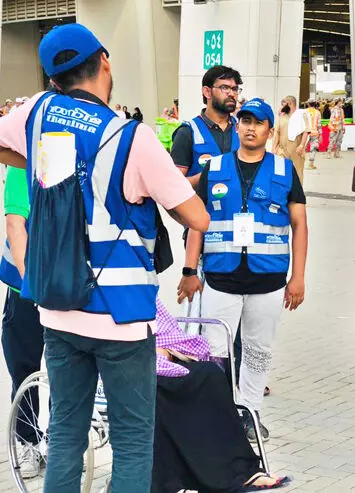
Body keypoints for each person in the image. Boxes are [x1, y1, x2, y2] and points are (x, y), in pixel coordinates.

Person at [0, 23, 210, 491]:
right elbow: (196, 218)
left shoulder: (36, 113)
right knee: (133, 439)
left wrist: (36, 163)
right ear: (105, 62)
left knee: (67, 434)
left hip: (58, 310)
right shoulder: (131, 137)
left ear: (53, 77)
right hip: (121, 318)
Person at [177, 98, 308, 441]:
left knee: (257, 349)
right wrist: (190, 270)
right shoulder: (215, 167)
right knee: (215, 350)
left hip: (268, 279)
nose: (250, 127)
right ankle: (220, 413)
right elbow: (198, 222)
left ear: (269, 130)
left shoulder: (283, 171)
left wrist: (298, 277)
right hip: (221, 277)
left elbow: (300, 225)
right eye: (245, 121)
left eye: (258, 122)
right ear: (238, 127)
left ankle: (250, 411)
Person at [151, 299, 291, 492]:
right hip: (128, 359)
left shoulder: (141, 281)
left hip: (161, 353)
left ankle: (237, 470)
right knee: (157, 392)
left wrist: (164, 348)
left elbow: (165, 327)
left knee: (210, 374)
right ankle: (171, 481)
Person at [1, 165, 46, 478]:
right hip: (25, 288)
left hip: (68, 290)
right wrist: (31, 283)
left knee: (69, 372)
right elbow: (16, 224)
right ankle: (28, 441)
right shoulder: (22, 162)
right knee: (23, 368)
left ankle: (61, 441)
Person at [171, 65, 242, 183]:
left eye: (235, 89)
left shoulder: (241, 130)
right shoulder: (187, 132)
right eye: (225, 87)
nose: (231, 93)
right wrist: (206, 176)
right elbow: (174, 185)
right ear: (207, 92)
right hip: (201, 201)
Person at [272, 95, 309, 183]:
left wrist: (301, 145)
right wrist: (274, 147)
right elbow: (277, 132)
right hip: (282, 150)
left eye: (283, 103)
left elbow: (306, 131)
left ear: (289, 104)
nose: (281, 106)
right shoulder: (282, 116)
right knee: (280, 173)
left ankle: (297, 195)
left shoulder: (302, 115)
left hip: (296, 150)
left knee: (297, 173)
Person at [305, 99, 321, 171]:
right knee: (313, 148)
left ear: (308, 104)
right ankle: (311, 164)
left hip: (305, 133)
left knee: (303, 147)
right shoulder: (317, 112)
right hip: (314, 133)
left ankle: (299, 162)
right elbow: (319, 124)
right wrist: (320, 134)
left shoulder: (305, 112)